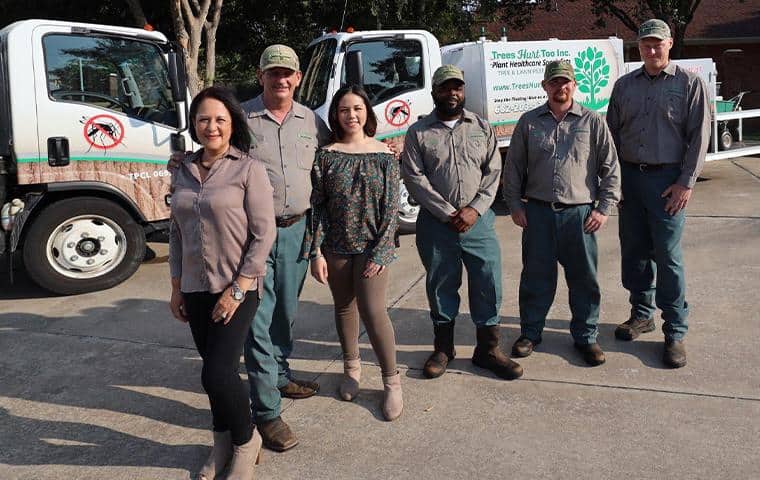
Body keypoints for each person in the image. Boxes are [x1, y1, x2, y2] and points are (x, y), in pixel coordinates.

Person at [168, 86, 276, 480]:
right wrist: (177, 286)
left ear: (232, 124)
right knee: (215, 372)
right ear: (193, 124)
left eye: (219, 119)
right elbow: (177, 232)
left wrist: (238, 288)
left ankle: (247, 441)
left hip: (238, 284)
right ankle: (222, 441)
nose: (211, 126)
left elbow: (264, 235)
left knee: (217, 373)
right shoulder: (181, 168)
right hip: (196, 286)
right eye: (203, 119)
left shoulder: (249, 169)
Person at [401, 65, 523, 381]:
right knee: (441, 283)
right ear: (434, 92)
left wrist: (475, 209)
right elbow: (414, 178)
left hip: (478, 222)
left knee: (487, 281)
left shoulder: (481, 127)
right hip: (436, 224)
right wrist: (447, 212)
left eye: (457, 87)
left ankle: (488, 350)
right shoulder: (419, 133)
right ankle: (444, 348)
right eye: (445, 88)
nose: (451, 93)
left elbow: (494, 171)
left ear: (463, 90)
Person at [240, 44, 330, 451]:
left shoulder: (311, 120)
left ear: (297, 78)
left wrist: (383, 150)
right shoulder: (240, 118)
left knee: (285, 313)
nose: (281, 80)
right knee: (256, 320)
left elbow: (334, 159)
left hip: (297, 231)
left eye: (287, 73)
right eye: (273, 73)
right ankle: (266, 412)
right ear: (261, 76)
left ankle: (278, 375)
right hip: (252, 234)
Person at [607, 19, 711, 368]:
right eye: (645, 45)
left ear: (670, 43)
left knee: (667, 256)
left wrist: (686, 182)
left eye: (658, 44)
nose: (652, 50)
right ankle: (641, 314)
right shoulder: (624, 86)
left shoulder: (689, 84)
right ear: (639, 48)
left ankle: (675, 331)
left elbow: (699, 136)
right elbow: (611, 138)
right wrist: (614, 180)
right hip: (630, 179)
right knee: (634, 250)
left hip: (668, 181)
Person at [503, 60, 621, 366]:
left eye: (566, 82)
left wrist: (604, 208)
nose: (561, 87)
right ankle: (530, 333)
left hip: (580, 216)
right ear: (545, 86)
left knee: (584, 280)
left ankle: (586, 337)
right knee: (535, 278)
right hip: (538, 214)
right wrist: (515, 205)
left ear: (574, 85)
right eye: (554, 82)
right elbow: (513, 168)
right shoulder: (529, 122)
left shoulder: (593, 122)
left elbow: (611, 169)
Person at [305, 85, 403, 421]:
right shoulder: (326, 156)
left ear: (367, 113)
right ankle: (352, 369)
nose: (351, 116)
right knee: (344, 307)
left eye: (358, 108)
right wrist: (315, 251)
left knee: (374, 311)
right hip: (335, 246)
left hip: (372, 248)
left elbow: (392, 208)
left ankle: (392, 382)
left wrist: (381, 251)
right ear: (335, 115)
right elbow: (317, 206)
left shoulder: (385, 155)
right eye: (345, 110)